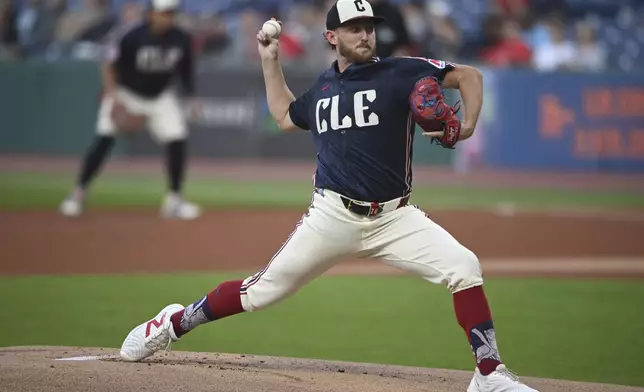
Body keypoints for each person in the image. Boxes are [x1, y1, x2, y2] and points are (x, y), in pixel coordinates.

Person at [119, 1, 538, 390]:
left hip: (394, 217)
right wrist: (270, 60)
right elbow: (284, 116)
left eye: (369, 28)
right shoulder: (322, 88)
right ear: (331, 36)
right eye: (354, 28)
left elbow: (470, 76)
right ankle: (173, 323)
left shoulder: (403, 71)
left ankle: (488, 375)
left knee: (464, 266)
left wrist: (465, 126)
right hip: (332, 216)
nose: (365, 35)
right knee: (258, 293)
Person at [59, 0, 201, 219]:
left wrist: (191, 98)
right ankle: (77, 193)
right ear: (151, 13)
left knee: (177, 138)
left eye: (171, 13)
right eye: (163, 13)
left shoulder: (180, 38)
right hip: (126, 93)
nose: (167, 17)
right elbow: (108, 62)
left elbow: (186, 71)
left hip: (159, 96)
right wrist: (113, 95)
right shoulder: (132, 34)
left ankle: (174, 199)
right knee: (104, 139)